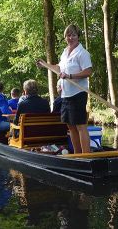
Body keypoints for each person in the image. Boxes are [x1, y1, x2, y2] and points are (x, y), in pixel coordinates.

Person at [37, 24, 92, 153]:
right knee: (70, 126)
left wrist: (70, 76)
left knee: (81, 126)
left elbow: (88, 71)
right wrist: (45, 64)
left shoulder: (82, 53)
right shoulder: (65, 52)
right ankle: (77, 154)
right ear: (65, 37)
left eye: (73, 35)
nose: (70, 37)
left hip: (78, 93)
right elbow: (59, 69)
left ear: (78, 37)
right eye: (68, 35)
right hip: (65, 95)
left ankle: (86, 155)